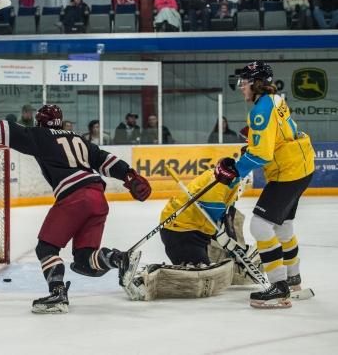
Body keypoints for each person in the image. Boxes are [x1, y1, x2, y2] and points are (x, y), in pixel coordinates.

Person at [0, 103, 152, 314]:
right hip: (98, 197)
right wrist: (129, 175)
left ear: (41, 122)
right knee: (84, 259)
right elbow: (104, 159)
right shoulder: (77, 138)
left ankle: (57, 293)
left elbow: (14, 133)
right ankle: (119, 258)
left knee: (46, 248)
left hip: (75, 197)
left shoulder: (42, 135)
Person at [214, 61, 315, 308]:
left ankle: (279, 288)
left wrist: (235, 171)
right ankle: (293, 278)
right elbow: (283, 132)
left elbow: (262, 155)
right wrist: (255, 144)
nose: (241, 88)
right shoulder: (277, 100)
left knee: (260, 225)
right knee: (284, 225)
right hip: (303, 166)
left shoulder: (259, 110)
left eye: (244, 83)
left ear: (256, 84)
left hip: (286, 172)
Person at [123, 166, 259, 301]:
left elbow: (225, 221)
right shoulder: (220, 182)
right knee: (201, 277)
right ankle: (147, 278)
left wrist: (236, 250)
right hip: (181, 232)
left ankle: (239, 264)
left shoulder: (228, 180)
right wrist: (231, 246)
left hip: (198, 234)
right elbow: (216, 215)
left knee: (234, 225)